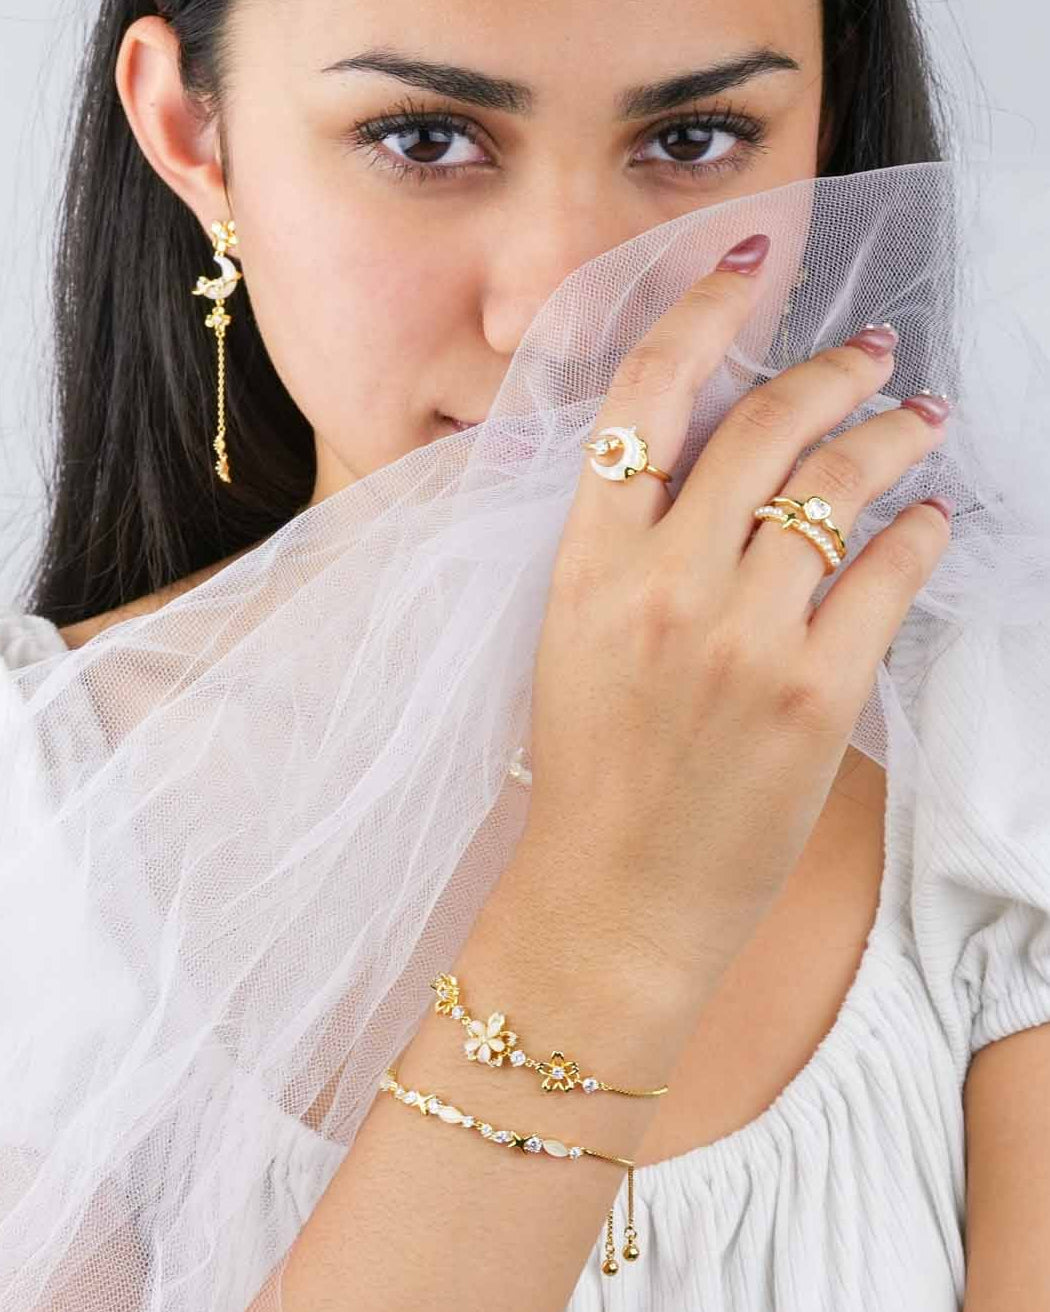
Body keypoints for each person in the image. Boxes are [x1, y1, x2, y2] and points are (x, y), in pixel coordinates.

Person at [1, 1, 1048, 1310]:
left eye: (697, 135)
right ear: (188, 130)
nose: (562, 320)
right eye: (424, 138)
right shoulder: (33, 833)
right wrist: (611, 921)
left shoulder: (1004, 746)